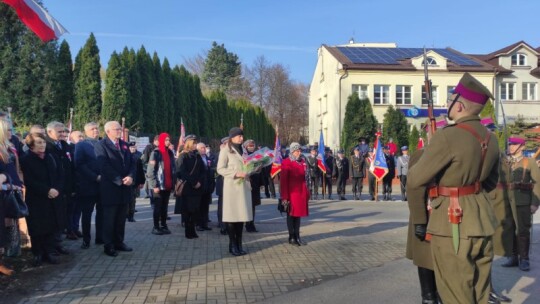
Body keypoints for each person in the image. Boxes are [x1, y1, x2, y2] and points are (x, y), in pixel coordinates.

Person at [407, 72, 500, 303]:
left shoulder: (448, 137)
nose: (447, 105)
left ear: (459, 106)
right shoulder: (492, 138)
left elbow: (414, 180)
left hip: (452, 222)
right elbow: (490, 182)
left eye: (450, 101)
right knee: (479, 293)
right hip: (482, 222)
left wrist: (420, 220)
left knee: (456, 294)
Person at [20, 132, 63, 266]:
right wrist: (46, 190)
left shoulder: (50, 157)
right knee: (38, 227)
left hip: (53, 197)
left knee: (51, 225)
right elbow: (29, 180)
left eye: (43, 142)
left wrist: (56, 189)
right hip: (37, 198)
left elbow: (60, 174)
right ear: (31, 145)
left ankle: (49, 252)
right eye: (38, 143)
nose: (42, 145)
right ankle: (38, 253)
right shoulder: (26, 159)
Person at [95, 121, 136, 257]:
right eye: (116, 129)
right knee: (109, 219)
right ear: (108, 131)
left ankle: (119, 242)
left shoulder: (124, 145)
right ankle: (109, 245)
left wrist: (130, 176)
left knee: (120, 218)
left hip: (125, 188)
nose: (120, 130)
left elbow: (132, 163)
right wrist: (119, 179)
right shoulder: (101, 145)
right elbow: (104, 166)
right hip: (111, 188)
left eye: (120, 128)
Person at [498, 137, 540, 272]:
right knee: (509, 229)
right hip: (507, 202)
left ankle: (524, 259)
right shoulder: (506, 162)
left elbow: (537, 184)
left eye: (514, 144)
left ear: (522, 146)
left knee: (522, 231)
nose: (511, 147)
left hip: (523, 201)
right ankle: (513, 257)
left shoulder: (530, 162)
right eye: (510, 144)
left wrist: (535, 203)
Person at [217, 127, 253, 256]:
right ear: (232, 137)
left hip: (243, 188)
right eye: (239, 136)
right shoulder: (226, 150)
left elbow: (248, 164)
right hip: (232, 188)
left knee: (241, 217)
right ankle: (232, 245)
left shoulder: (244, 150)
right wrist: (236, 173)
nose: (241, 138)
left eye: (242, 136)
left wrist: (253, 168)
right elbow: (220, 169)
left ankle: (239, 244)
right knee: (232, 218)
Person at [74, 122, 102, 249]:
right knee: (87, 214)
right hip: (88, 185)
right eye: (92, 129)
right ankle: (86, 239)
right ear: (86, 132)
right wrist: (94, 177)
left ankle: (100, 237)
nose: (96, 130)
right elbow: (79, 164)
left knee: (102, 212)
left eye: (97, 128)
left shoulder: (102, 143)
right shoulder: (82, 145)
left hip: (103, 185)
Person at [45, 121, 72, 254]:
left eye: (63, 131)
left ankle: (58, 243)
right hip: (52, 188)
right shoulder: (47, 146)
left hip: (64, 186)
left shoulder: (64, 145)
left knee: (61, 217)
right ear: (49, 132)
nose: (63, 134)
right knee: (51, 218)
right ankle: (51, 246)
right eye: (59, 132)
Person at [0, 118, 23, 274]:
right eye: (8, 130)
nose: (11, 133)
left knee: (5, 228)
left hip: (6, 193)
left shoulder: (6, 148)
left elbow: (9, 171)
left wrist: (10, 180)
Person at [176, 135, 205, 239]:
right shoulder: (183, 156)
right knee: (187, 211)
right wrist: (193, 182)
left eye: (196, 143)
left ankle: (193, 230)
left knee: (195, 210)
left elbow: (203, 170)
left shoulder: (197, 156)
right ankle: (188, 231)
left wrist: (199, 182)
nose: (195, 145)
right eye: (193, 143)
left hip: (197, 188)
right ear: (188, 143)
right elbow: (181, 172)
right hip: (187, 188)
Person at [280, 142, 309, 246]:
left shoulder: (302, 162)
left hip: (301, 193)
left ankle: (297, 235)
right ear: (292, 151)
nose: (299, 152)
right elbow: (283, 181)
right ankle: (291, 236)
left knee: (298, 216)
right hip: (291, 193)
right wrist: (285, 197)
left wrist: (307, 192)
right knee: (291, 215)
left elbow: (305, 178)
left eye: (300, 150)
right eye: (297, 151)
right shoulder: (286, 162)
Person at [147, 133, 175, 235]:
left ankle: (163, 225)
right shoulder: (156, 153)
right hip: (158, 186)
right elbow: (150, 171)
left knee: (164, 207)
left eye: (169, 140)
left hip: (167, 185)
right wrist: (154, 185)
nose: (168, 141)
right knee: (157, 207)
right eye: (166, 140)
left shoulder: (170, 153)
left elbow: (172, 169)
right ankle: (156, 227)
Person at [243, 140, 261, 232]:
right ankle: (246, 223)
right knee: (246, 205)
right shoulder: (243, 155)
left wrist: (260, 167)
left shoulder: (257, 155)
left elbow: (261, 170)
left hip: (255, 184)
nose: (252, 147)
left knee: (253, 205)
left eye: (253, 145)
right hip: (246, 182)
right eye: (249, 145)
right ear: (246, 147)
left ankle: (251, 223)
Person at [196, 142, 215, 232]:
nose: (204, 149)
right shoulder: (196, 158)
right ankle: (199, 224)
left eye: (204, 147)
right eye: (202, 148)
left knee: (205, 206)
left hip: (207, 186)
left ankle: (205, 224)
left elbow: (211, 171)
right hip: (200, 186)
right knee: (199, 206)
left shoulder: (208, 158)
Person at [215, 136, 229, 235]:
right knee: (222, 205)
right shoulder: (218, 155)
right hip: (222, 182)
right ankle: (222, 224)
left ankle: (228, 223)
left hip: (231, 184)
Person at [127, 142, 143, 222]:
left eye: (134, 147)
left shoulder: (138, 157)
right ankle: (126, 214)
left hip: (135, 181)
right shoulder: (125, 156)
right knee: (127, 199)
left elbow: (140, 171)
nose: (133, 149)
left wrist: (142, 181)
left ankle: (131, 215)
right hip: (126, 181)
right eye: (131, 147)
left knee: (133, 199)